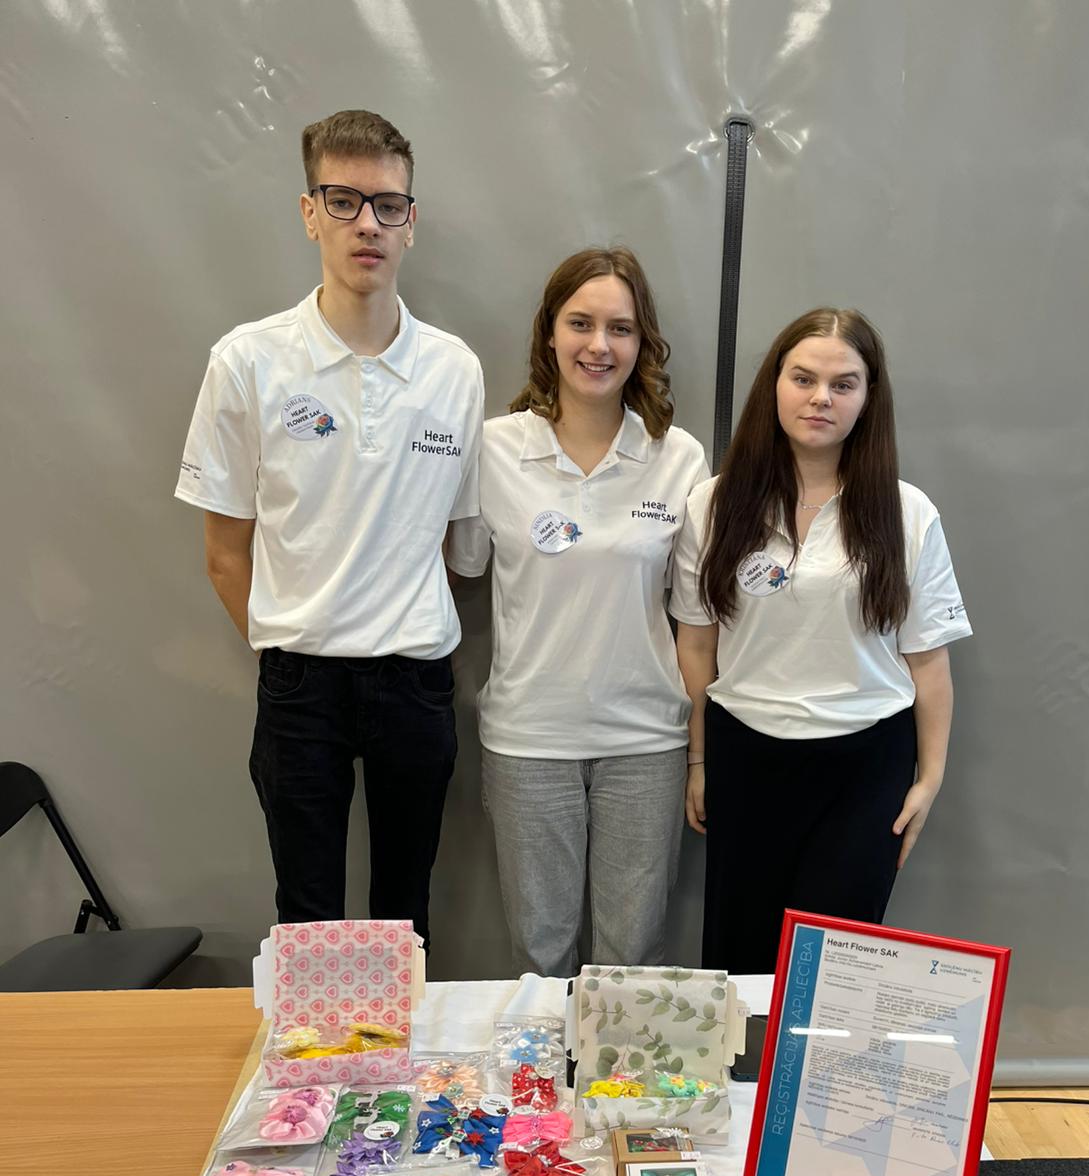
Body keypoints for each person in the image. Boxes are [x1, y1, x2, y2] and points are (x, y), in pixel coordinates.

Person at [176, 109, 483, 947]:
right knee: (307, 916)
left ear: (411, 222)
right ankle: (310, 1045)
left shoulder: (453, 370)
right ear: (309, 213)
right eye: (343, 201)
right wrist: (293, 642)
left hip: (415, 677)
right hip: (300, 683)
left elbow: (454, 542)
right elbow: (224, 553)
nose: (366, 225)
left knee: (404, 914)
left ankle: (400, 1042)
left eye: (388, 205)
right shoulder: (248, 361)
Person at [671, 308, 972, 973]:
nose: (820, 399)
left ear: (868, 398)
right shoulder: (714, 504)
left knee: (833, 972)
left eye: (843, 384)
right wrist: (698, 760)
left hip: (865, 766)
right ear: (774, 384)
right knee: (742, 962)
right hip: (745, 754)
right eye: (803, 378)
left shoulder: (907, 513)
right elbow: (695, 646)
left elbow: (929, 659)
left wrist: (930, 778)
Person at [447, 247, 709, 976]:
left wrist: (699, 753)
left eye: (620, 328)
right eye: (581, 323)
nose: (599, 345)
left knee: (633, 963)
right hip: (529, 739)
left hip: (646, 742)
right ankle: (547, 1062)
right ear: (550, 332)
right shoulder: (493, 449)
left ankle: (618, 1065)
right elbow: (459, 568)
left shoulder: (679, 458)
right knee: (540, 956)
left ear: (642, 341)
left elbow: (697, 628)